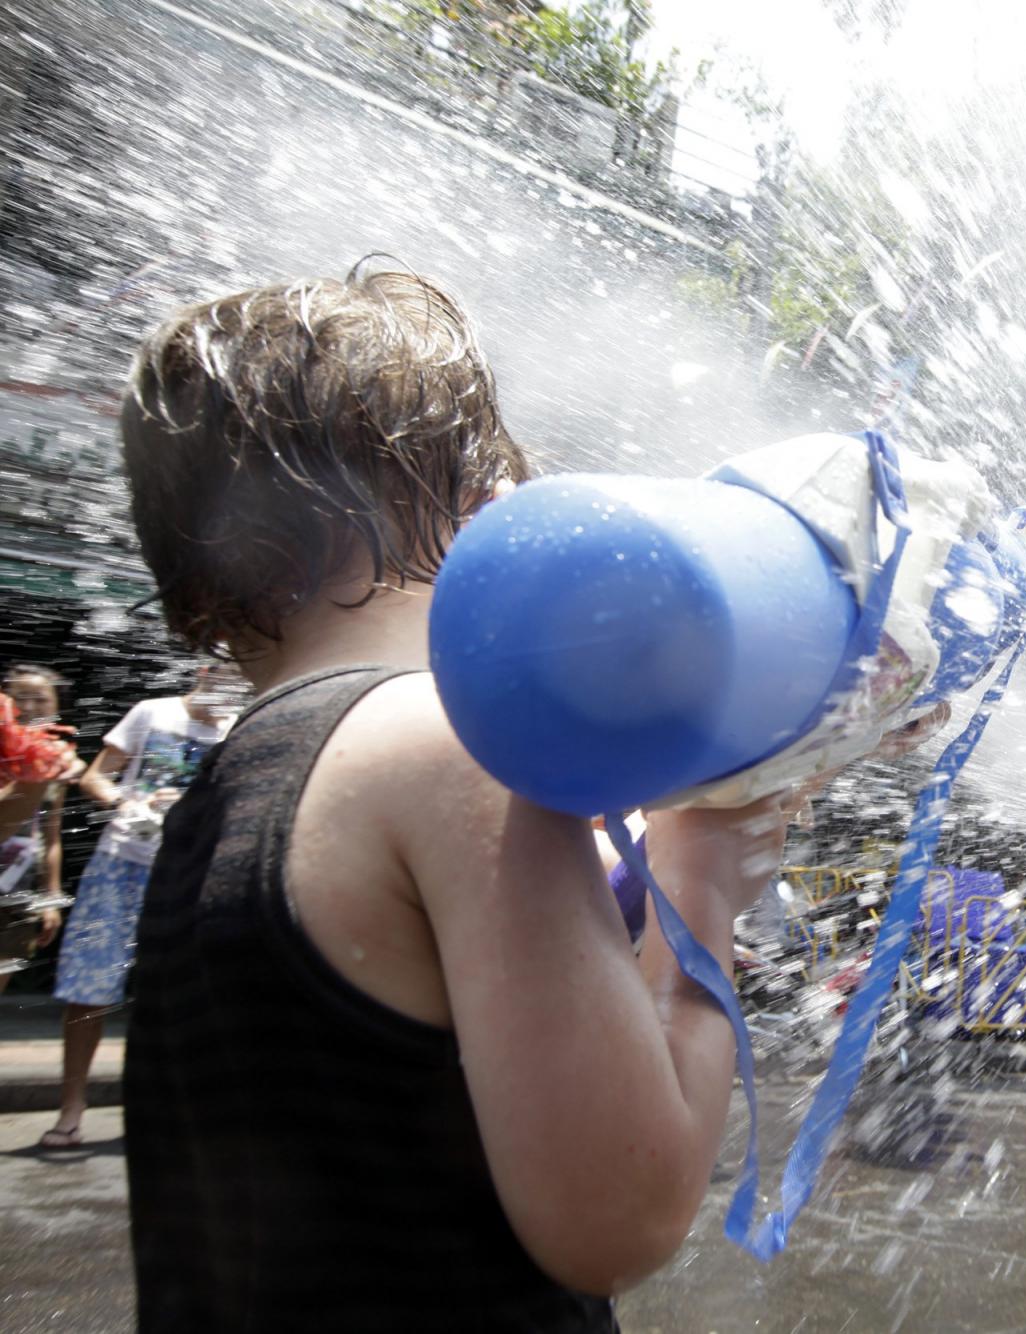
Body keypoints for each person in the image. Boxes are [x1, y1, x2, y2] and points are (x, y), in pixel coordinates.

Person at [111, 268, 943, 1330]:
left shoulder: (232, 792)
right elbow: (616, 1217)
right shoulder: (451, 748)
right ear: (472, 495)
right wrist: (700, 885)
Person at [37, 665, 237, 1149]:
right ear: (206, 671)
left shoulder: (237, 729)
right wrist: (126, 802)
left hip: (189, 873)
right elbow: (94, 777)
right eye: (226, 676)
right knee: (90, 986)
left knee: (183, 993)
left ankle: (169, 1109)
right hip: (120, 863)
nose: (232, 690)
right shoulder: (153, 711)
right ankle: (72, 1108)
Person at [1, 666, 76, 990]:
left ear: (56, 708)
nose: (29, 707)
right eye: (20, 699)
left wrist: (51, 896)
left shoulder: (53, 759)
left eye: (40, 699)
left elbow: (52, 834)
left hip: (19, 882)